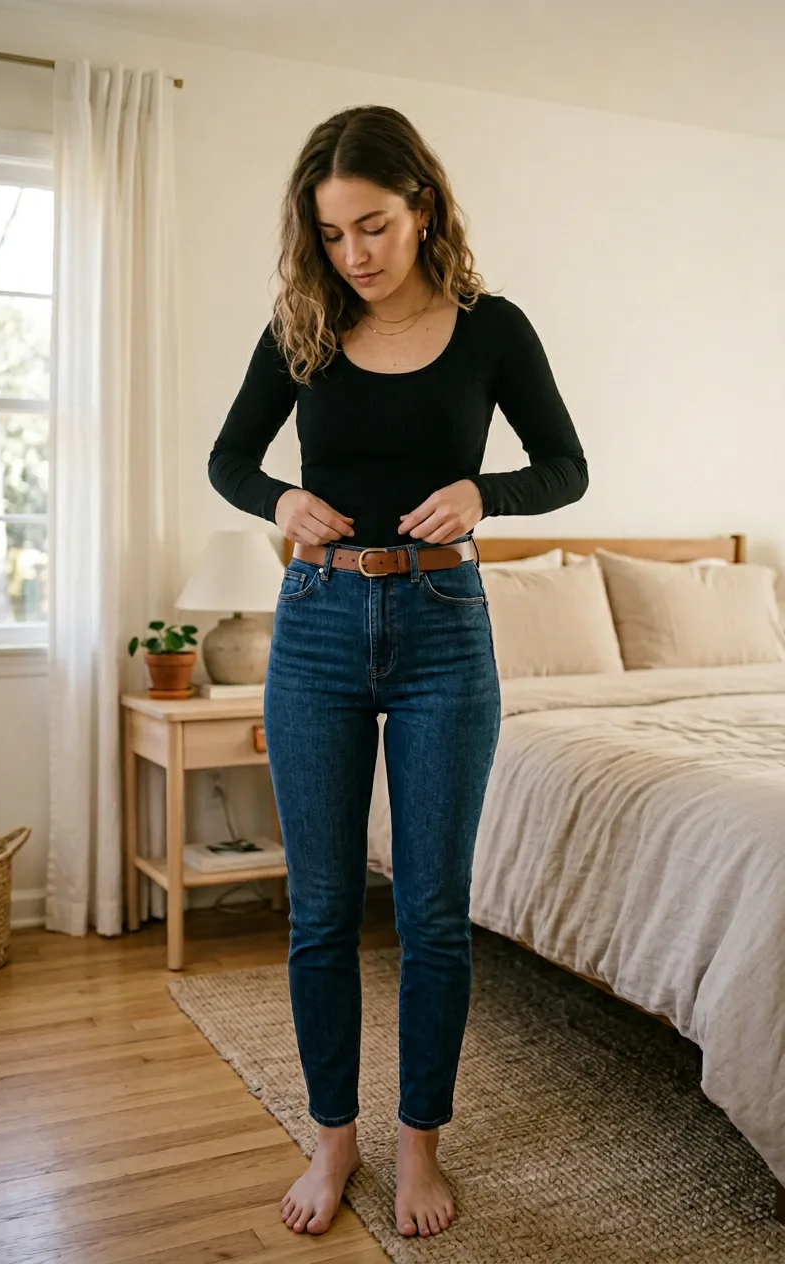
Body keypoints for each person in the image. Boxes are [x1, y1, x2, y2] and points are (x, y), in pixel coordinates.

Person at [208, 105, 588, 1241]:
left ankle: (418, 1142)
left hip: (443, 624)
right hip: (318, 624)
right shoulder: (300, 330)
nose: (354, 255)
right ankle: (333, 1140)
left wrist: (489, 494)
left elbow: (563, 464)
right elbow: (230, 457)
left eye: (371, 226)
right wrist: (279, 499)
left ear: (420, 204)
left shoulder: (492, 328)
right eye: (330, 236)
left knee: (430, 913)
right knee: (320, 913)